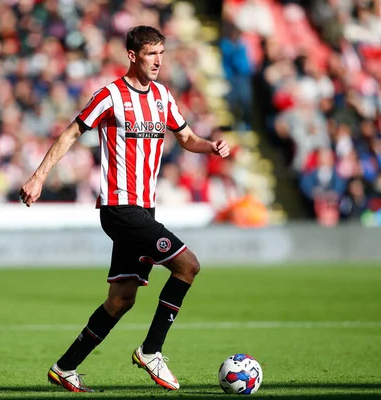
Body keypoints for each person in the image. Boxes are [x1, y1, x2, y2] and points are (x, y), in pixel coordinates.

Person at [19, 25, 230, 393]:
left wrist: (210, 146)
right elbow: (71, 133)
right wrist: (38, 177)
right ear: (132, 55)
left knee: (121, 299)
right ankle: (151, 350)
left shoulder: (163, 96)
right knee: (188, 266)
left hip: (143, 211)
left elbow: (185, 137)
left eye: (161, 54)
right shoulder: (110, 96)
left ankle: (64, 368)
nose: (158, 62)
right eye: (151, 54)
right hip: (119, 208)